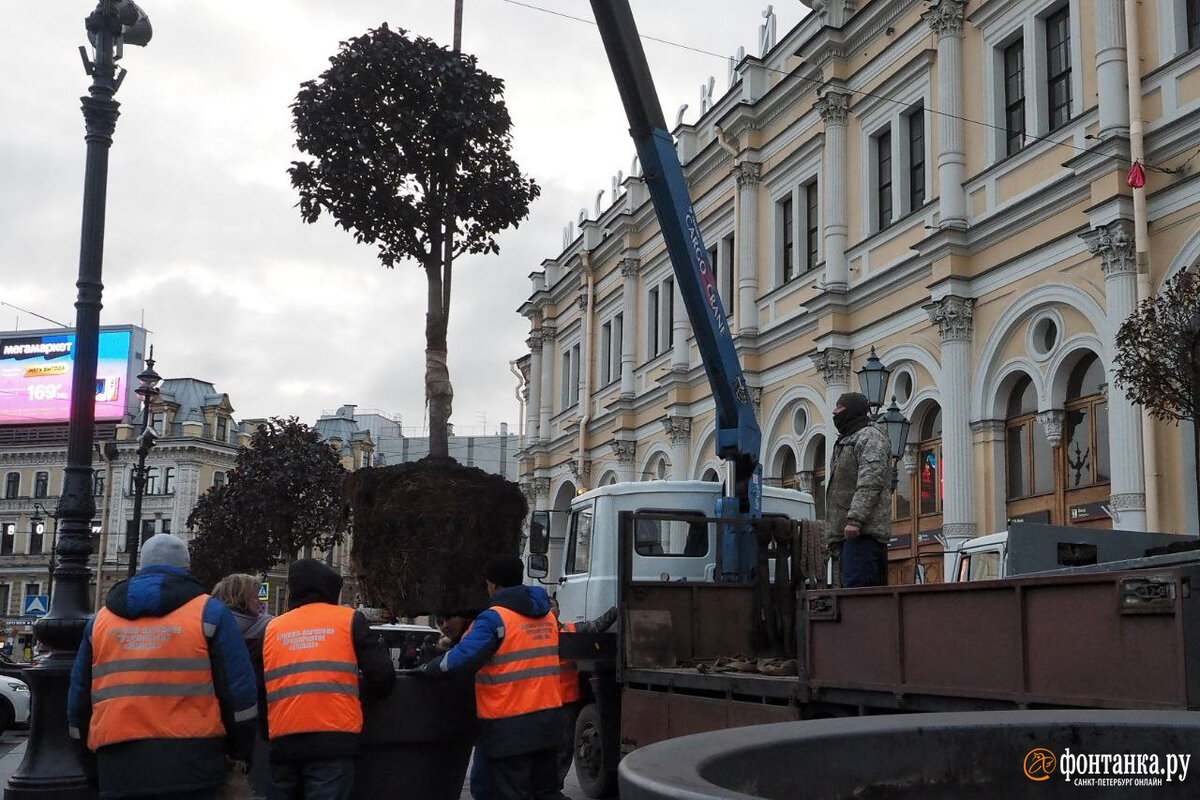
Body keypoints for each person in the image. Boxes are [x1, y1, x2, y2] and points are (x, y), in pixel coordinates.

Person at [68, 534, 259, 800]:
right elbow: (239, 695)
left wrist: (91, 764)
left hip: (117, 766)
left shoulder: (100, 622)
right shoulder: (209, 613)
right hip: (196, 763)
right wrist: (238, 754)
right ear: (186, 569)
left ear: (141, 567)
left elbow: (78, 703)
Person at [422, 555, 561, 800]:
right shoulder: (547, 616)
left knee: (505, 792)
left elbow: (461, 658)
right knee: (543, 791)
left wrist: (427, 669)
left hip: (509, 727)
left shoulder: (495, 618)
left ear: (494, 584)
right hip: (548, 722)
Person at [262, 558, 395, 800]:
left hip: (284, 741)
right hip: (333, 741)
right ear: (331, 590)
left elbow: (264, 686)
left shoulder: (274, 628)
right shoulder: (348, 619)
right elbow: (382, 674)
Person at [213, 573, 275, 797]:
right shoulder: (269, 628)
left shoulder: (208, 627)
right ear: (240, 598)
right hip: (256, 715)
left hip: (211, 717)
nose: (260, 600)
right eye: (254, 596)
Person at [550, 597, 617, 798]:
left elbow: (595, 626)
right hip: (542, 701)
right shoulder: (535, 634)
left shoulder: (571, 630)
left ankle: (553, 789)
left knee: (564, 748)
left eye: (552, 605)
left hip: (566, 701)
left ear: (559, 611)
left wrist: (615, 610)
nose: (548, 609)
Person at [825, 391, 893, 588]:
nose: (834, 412)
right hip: (847, 537)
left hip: (863, 535)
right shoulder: (847, 440)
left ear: (852, 410)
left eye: (839, 407)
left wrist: (855, 520)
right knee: (848, 594)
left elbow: (871, 481)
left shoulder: (870, 437)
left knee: (859, 592)